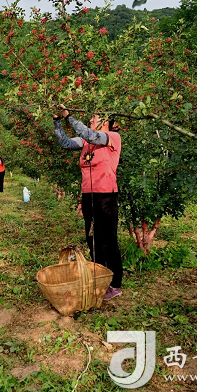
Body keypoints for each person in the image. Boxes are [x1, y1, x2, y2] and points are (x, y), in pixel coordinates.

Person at [54, 108, 123, 300]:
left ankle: (115, 284)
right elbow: (65, 143)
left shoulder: (112, 138)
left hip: (106, 196)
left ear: (106, 121)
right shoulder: (86, 142)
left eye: (94, 117)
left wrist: (69, 117)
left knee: (108, 239)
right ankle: (99, 278)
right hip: (88, 196)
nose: (91, 119)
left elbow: (90, 134)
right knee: (92, 238)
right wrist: (57, 121)